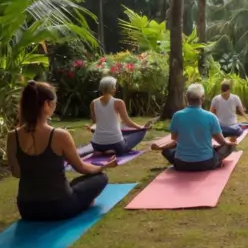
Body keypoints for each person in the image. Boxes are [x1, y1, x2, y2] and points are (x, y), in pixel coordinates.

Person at [6, 81, 117, 221]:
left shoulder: (12, 136)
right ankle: (84, 203)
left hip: (27, 209)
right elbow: (82, 168)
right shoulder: (59, 135)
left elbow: (17, 173)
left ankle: (80, 200)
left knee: (76, 182)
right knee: (101, 177)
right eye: (54, 103)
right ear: (47, 104)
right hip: (59, 207)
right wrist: (103, 166)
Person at [151, 83, 236, 172]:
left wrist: (162, 147)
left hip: (181, 164)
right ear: (203, 98)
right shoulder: (211, 117)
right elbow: (222, 142)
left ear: (186, 97)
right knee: (230, 147)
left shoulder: (177, 116)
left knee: (166, 150)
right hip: (206, 163)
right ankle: (216, 161)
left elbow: (174, 138)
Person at [89, 76, 150, 156]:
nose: (115, 88)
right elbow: (127, 122)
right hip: (115, 143)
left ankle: (100, 150)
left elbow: (95, 121)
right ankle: (112, 150)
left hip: (96, 143)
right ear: (111, 88)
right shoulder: (118, 102)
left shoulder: (93, 103)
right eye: (114, 86)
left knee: (121, 135)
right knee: (139, 133)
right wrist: (142, 128)